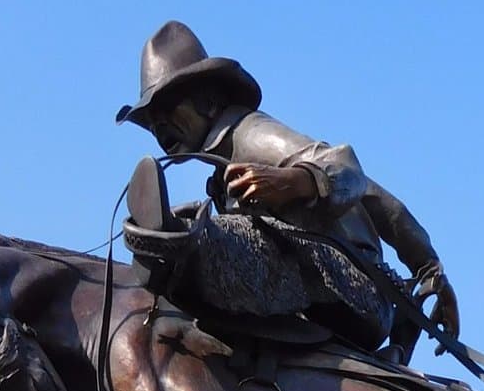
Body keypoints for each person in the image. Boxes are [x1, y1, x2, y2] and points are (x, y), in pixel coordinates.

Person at [118, 21, 459, 357]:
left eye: (167, 109)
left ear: (207, 101)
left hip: (353, 288)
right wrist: (428, 268)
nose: (159, 127)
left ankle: (175, 240)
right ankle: (174, 240)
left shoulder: (251, 134)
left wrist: (294, 181)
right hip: (321, 292)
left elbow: (348, 169)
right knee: (212, 238)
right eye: (151, 121)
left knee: (216, 237)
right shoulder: (222, 170)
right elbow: (377, 198)